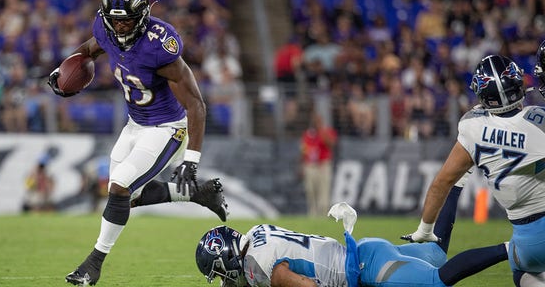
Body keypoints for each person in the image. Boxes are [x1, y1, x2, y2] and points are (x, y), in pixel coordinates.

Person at [47, 0, 229, 286]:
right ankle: (201, 194)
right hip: (135, 123)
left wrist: (191, 159)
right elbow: (91, 49)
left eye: (126, 20)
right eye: (114, 21)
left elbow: (196, 104)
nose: (119, 28)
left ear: (142, 14)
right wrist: (66, 69)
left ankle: (93, 264)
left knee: (119, 187)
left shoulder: (159, 45)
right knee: (125, 198)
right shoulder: (106, 28)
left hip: (167, 127)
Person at [404, 54, 545, 286]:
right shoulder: (538, 120)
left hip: (526, 243)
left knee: (522, 272)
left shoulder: (473, 125)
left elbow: (442, 183)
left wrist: (425, 229)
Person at [195, 194, 508, 287]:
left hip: (367, 268)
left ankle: (510, 249)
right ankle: (457, 185)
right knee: (438, 252)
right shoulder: (254, 235)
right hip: (365, 252)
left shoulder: (270, 271)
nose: (224, 280)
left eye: (221, 272)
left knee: (438, 281)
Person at [300, 112, 338, 216]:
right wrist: (302, 165)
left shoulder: (327, 132)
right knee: (311, 190)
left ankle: (324, 213)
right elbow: (303, 150)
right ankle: (313, 213)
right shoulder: (308, 134)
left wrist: (321, 131)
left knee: (324, 190)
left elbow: (331, 144)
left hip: (323, 164)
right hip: (311, 165)